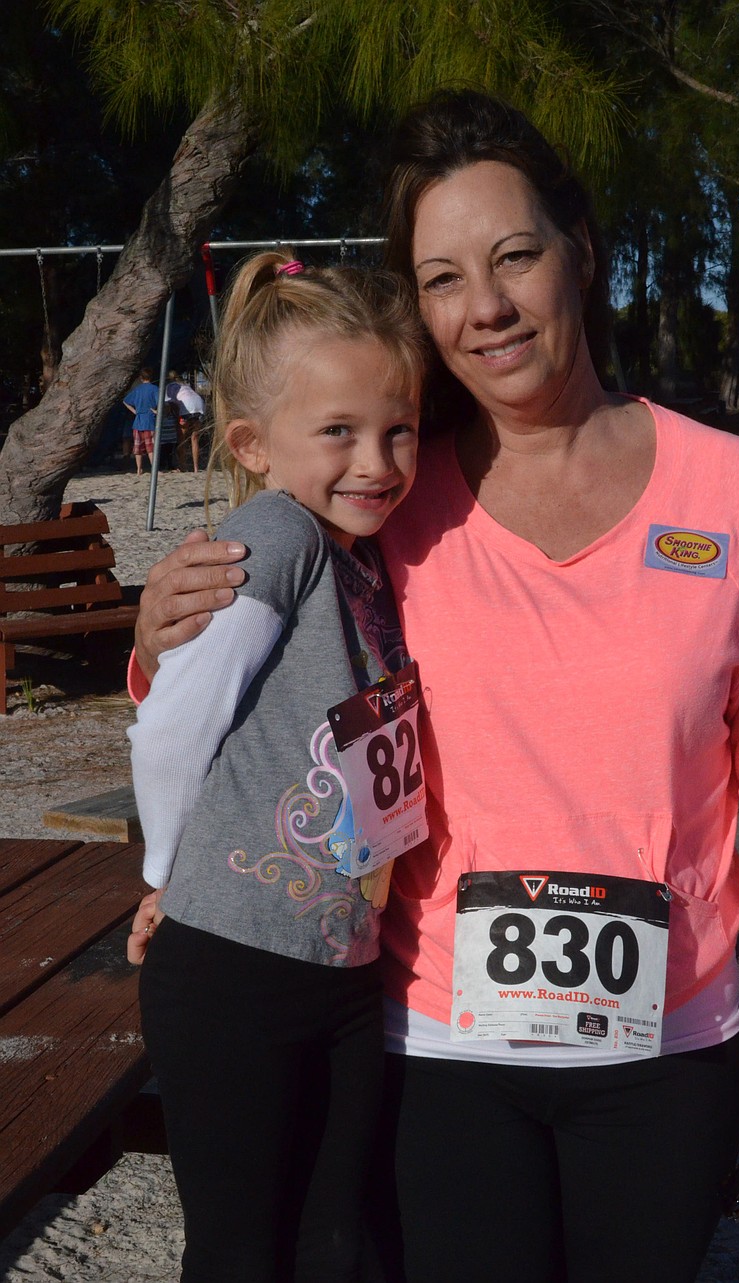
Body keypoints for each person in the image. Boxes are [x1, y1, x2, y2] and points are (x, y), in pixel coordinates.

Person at [127, 90, 739, 1283]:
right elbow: (246, 676)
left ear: (579, 250)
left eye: (515, 255)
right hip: (433, 1054)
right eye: (443, 277)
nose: (488, 307)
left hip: (665, 1052)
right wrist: (161, 638)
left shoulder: (730, 492)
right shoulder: (379, 498)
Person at [127, 251, 425, 1283]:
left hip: (339, 964)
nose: (376, 459)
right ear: (252, 445)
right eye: (337, 430)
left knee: (333, 1236)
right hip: (231, 965)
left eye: (398, 429)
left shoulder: (362, 551)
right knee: (242, 1247)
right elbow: (174, 720)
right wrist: (164, 873)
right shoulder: (278, 533)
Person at [123, 367, 159, 475]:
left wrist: (134, 411)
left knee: (137, 447)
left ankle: (139, 469)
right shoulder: (155, 389)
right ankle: (154, 469)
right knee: (150, 446)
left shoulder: (137, 389)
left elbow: (125, 401)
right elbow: (161, 402)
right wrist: (156, 411)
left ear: (141, 378)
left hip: (138, 420)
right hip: (149, 420)